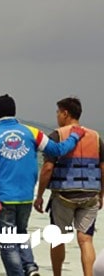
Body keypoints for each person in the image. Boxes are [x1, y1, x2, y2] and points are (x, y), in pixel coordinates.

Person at [0, 94, 86, 276]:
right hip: (25, 196)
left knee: (8, 244)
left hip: (3, 198)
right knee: (21, 234)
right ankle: (30, 268)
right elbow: (58, 150)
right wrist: (74, 137)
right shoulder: (32, 132)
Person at [34, 97, 104, 276]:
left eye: (58, 112)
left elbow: (48, 168)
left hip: (64, 197)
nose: (57, 116)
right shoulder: (95, 137)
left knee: (57, 239)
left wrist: (40, 195)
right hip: (90, 196)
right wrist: (101, 194)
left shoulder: (57, 136)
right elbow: (103, 169)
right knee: (86, 240)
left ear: (66, 113)